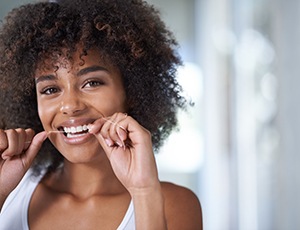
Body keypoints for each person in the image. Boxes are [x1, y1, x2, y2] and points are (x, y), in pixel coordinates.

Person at [0, 0, 202, 229]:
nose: (70, 105)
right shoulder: (10, 192)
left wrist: (144, 191)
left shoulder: (173, 204)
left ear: (132, 91)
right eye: (50, 89)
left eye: (92, 83)